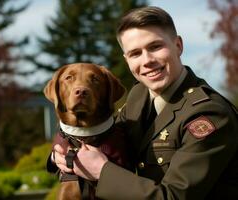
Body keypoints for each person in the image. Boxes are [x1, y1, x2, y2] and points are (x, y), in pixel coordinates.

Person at [52, 6, 238, 200]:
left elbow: (173, 196)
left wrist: (101, 171)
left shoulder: (208, 114)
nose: (147, 60)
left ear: (178, 45)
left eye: (155, 47)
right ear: (127, 60)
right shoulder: (139, 95)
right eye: (135, 53)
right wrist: (60, 153)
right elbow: (105, 138)